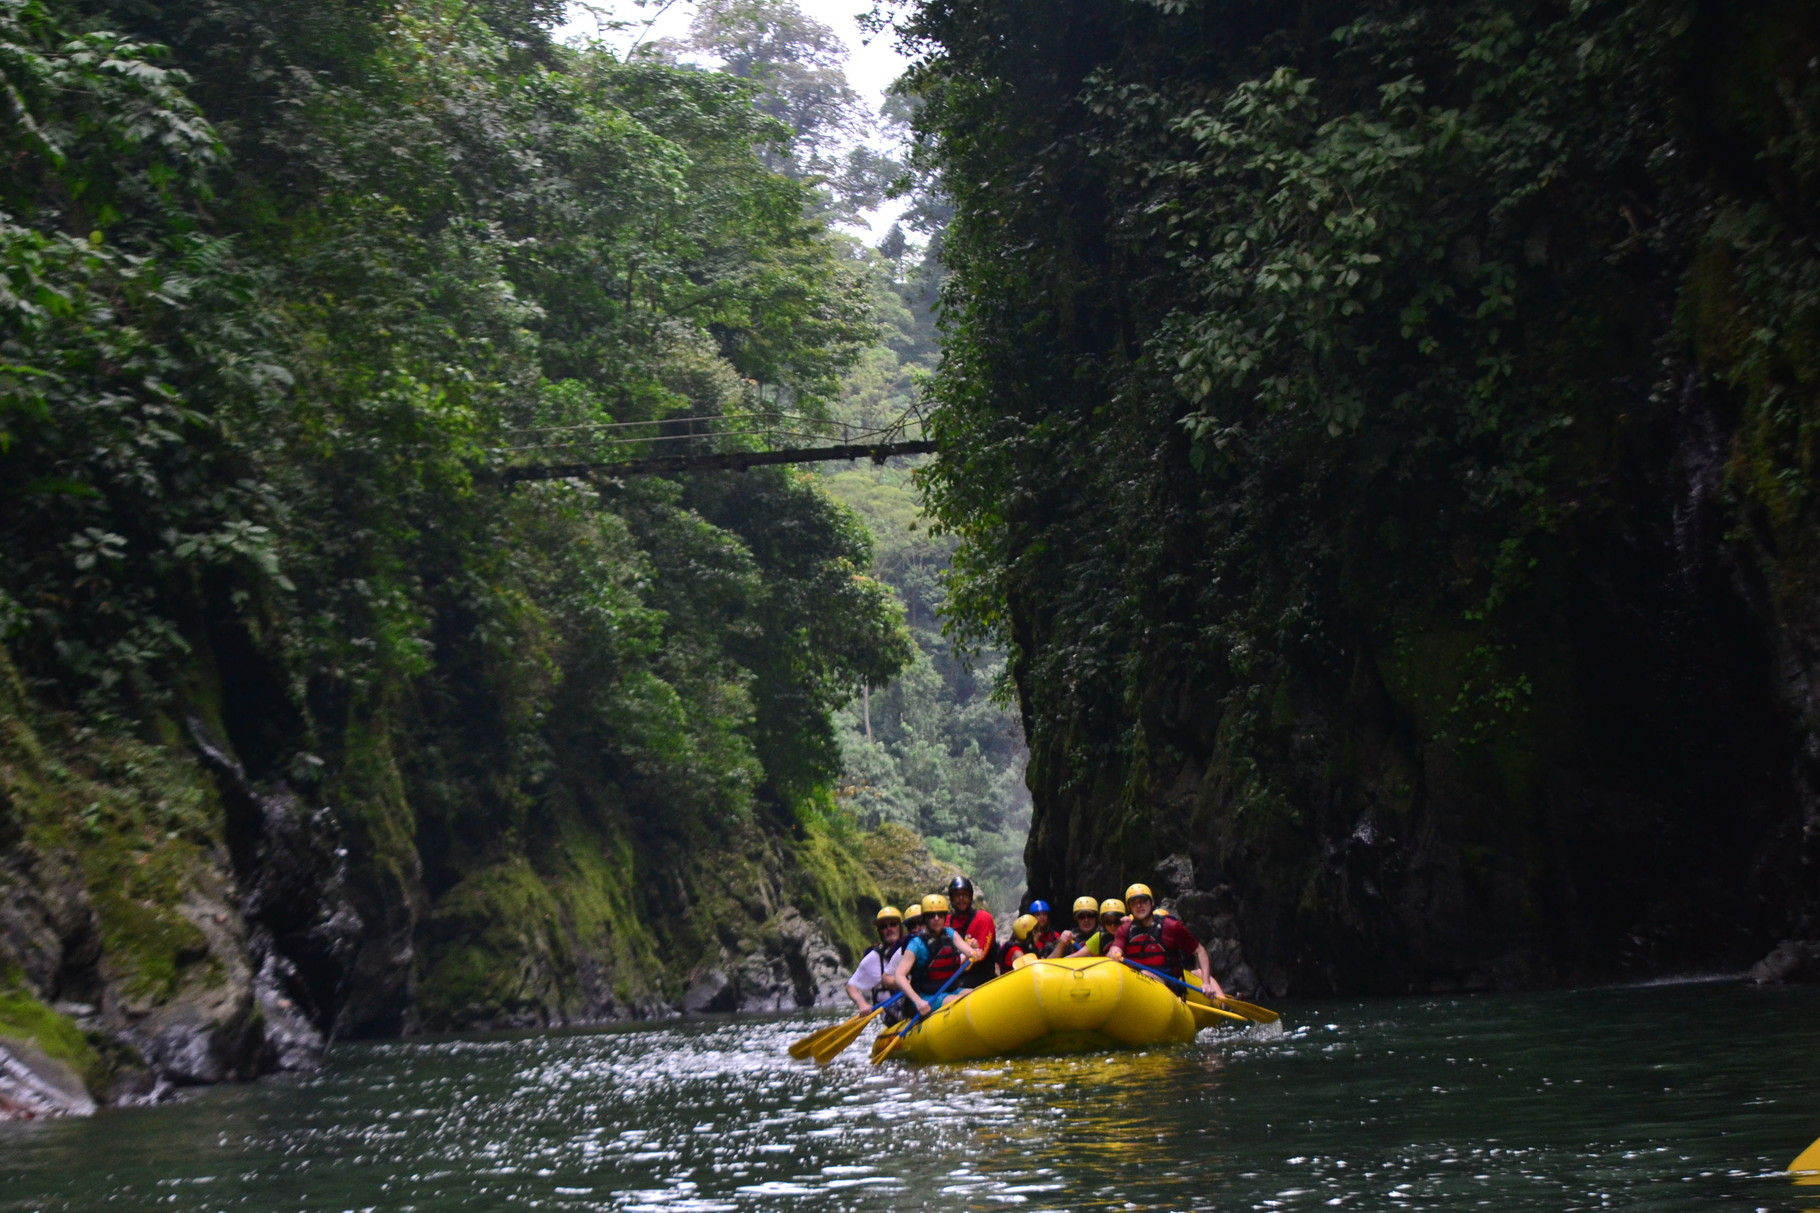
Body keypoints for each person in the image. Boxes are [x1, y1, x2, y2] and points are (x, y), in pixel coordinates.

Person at [1108, 882, 1227, 999]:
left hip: (1169, 985)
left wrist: (1206, 983)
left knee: (1144, 974)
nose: (1139, 906)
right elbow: (1116, 947)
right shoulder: (1125, 930)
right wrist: (1113, 952)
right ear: (1129, 908)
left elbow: (1200, 951)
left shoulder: (1171, 926)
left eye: (1143, 901)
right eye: (1134, 903)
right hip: (1134, 984)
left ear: (1152, 902)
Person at [895, 893, 985, 1017]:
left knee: (980, 995)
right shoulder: (916, 944)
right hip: (927, 996)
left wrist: (975, 953)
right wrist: (918, 1001)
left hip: (951, 989)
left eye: (940, 914)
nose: (936, 918)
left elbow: (968, 951)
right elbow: (899, 976)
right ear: (925, 918)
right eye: (931, 915)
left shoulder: (950, 933)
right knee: (960, 1002)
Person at [844, 906, 906, 1012]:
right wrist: (862, 1004)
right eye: (884, 926)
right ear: (880, 931)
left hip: (916, 1007)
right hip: (893, 1015)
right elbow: (850, 987)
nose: (889, 929)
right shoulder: (874, 957)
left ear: (900, 927)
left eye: (893, 924)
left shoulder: (911, 949)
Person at [946, 876, 997, 988]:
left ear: (970, 896)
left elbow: (980, 956)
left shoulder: (983, 918)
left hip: (980, 975)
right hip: (952, 975)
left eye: (965, 895)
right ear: (951, 898)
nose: (961, 898)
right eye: (957, 895)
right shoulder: (946, 921)